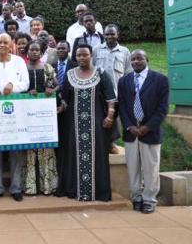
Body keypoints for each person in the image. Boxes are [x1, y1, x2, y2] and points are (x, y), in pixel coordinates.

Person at [57, 43, 116, 201]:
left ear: (91, 55)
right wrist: (60, 108)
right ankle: (75, 190)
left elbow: (111, 97)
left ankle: (97, 191)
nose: (81, 58)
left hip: (96, 124)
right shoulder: (70, 74)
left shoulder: (101, 73)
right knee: (74, 155)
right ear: (75, 57)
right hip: (73, 125)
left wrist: (109, 116)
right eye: (78, 55)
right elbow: (65, 99)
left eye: (85, 54)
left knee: (97, 155)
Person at [118, 49, 169, 214]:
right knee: (133, 168)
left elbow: (163, 108)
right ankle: (137, 197)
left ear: (147, 59)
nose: (135, 62)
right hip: (131, 132)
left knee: (151, 168)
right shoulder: (124, 81)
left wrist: (147, 127)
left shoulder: (160, 80)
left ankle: (149, 199)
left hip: (150, 132)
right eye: (132, 59)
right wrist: (129, 126)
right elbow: (123, 106)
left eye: (139, 58)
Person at [0, 33, 29, 202]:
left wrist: (13, 86)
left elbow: (26, 83)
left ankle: (16, 188)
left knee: (16, 150)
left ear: (11, 45)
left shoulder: (19, 61)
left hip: (15, 112)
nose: (2, 45)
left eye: (5, 42)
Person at [22, 41, 60, 195]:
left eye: (37, 50)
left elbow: (58, 86)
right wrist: (26, 93)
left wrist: (51, 90)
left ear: (41, 51)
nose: (34, 52)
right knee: (28, 151)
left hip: (44, 116)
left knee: (46, 150)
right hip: (26, 114)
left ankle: (48, 186)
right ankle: (30, 187)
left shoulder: (47, 67)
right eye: (31, 49)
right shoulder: (22, 68)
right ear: (27, 52)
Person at [93, 24, 132, 154]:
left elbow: (128, 74)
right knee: (99, 117)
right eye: (107, 34)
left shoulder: (125, 52)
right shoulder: (97, 49)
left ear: (117, 34)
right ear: (104, 35)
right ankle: (99, 142)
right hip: (99, 92)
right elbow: (92, 69)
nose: (109, 36)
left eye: (112, 34)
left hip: (116, 92)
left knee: (114, 119)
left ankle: (111, 143)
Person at [52, 40, 77, 194]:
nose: (61, 50)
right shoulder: (52, 66)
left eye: (64, 48)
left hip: (69, 108)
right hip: (53, 109)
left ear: (68, 50)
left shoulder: (74, 66)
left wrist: (66, 103)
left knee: (68, 142)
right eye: (59, 48)